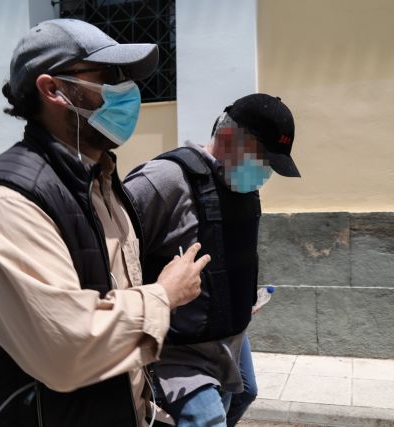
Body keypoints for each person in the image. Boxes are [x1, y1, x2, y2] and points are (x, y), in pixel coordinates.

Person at [0, 19, 209, 427]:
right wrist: (164, 296)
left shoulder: (102, 182)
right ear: (53, 89)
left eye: (125, 77)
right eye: (109, 76)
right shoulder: (3, 200)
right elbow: (66, 350)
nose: (127, 90)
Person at [124, 93, 300, 426]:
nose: (266, 172)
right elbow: (112, 247)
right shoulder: (164, 180)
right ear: (229, 137)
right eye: (263, 159)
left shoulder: (240, 185)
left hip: (229, 338)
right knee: (207, 418)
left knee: (245, 393)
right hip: (181, 348)